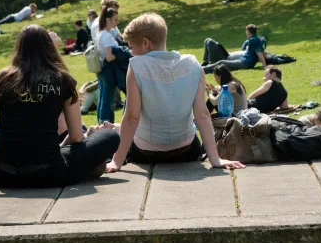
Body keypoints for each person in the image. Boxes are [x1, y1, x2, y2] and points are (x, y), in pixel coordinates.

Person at [0, 25, 119, 187]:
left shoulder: (2, 78)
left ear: (19, 48)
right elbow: (76, 137)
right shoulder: (63, 80)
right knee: (110, 136)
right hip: (49, 172)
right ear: (49, 49)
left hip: (5, 174)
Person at [104, 13, 244, 171]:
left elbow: (131, 117)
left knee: (129, 107)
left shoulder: (137, 65)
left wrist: (116, 161)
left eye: (132, 47)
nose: (131, 53)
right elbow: (202, 115)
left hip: (145, 153)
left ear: (145, 43)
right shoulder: (193, 64)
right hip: (186, 151)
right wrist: (215, 159)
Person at [95, 7, 129, 124]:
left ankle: (101, 122)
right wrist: (122, 54)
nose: (117, 22)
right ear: (108, 20)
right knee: (107, 100)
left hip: (102, 70)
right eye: (115, 20)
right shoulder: (107, 36)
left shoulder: (100, 33)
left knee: (103, 98)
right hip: (109, 71)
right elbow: (109, 57)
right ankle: (104, 123)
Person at [202, 24, 268, 72]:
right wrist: (265, 64)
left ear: (248, 32)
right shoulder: (257, 39)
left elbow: (259, 54)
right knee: (221, 62)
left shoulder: (253, 40)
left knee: (221, 63)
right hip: (244, 61)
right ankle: (204, 67)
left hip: (245, 63)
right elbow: (262, 52)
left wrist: (265, 66)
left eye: (246, 32)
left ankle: (202, 69)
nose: (246, 34)